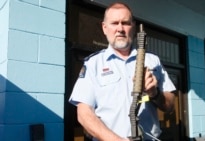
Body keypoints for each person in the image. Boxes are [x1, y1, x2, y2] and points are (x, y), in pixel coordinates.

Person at [69, 2, 176, 141]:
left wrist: (154, 93)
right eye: (114, 23)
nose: (120, 28)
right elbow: (84, 114)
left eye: (125, 23)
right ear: (104, 28)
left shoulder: (152, 61)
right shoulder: (93, 64)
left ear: (133, 26)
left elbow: (170, 106)